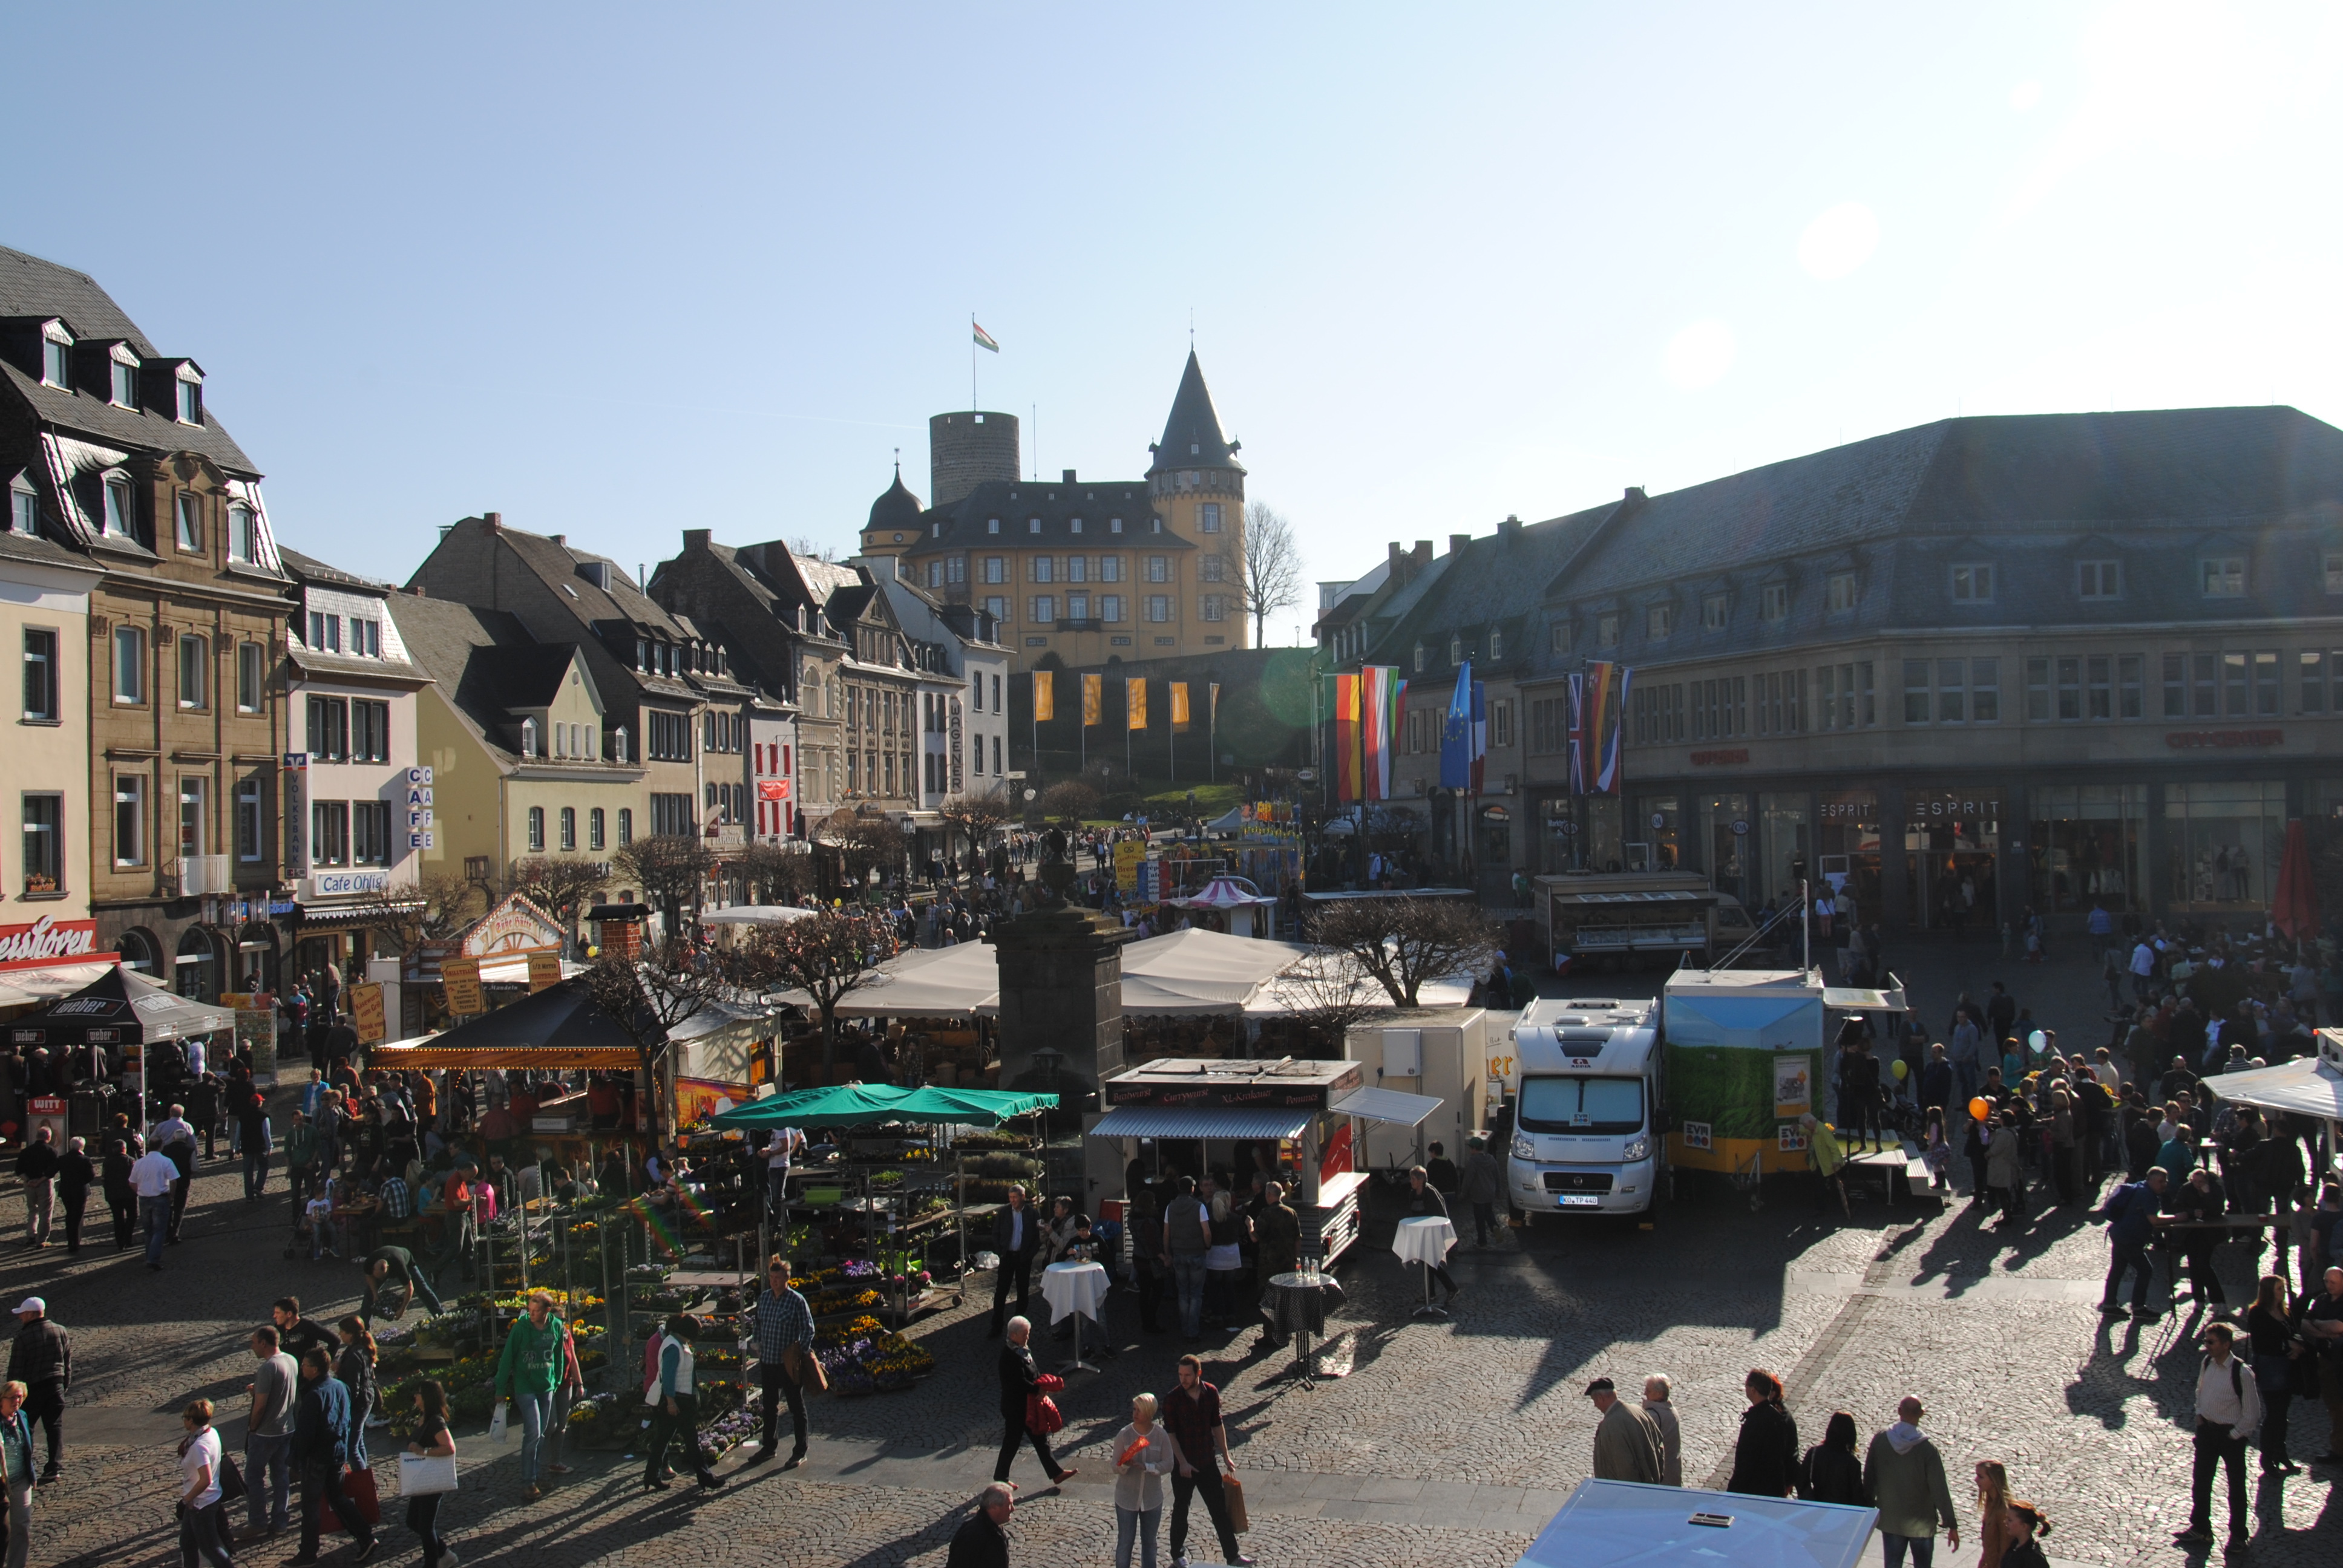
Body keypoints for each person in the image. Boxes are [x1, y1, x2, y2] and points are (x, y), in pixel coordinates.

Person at [2173, 1322, 2260, 1549]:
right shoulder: (2207, 1363)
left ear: (2226, 1344)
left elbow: (2252, 1413)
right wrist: (2200, 1416)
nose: (2206, 1346)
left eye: (2211, 1342)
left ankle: (2239, 1536)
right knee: (2201, 1483)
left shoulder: (2242, 1373)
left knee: (2236, 1489)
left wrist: (2234, 1435)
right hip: (2207, 1432)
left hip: (2230, 1436)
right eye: (2205, 1341)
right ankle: (2201, 1528)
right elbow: (2200, 1391)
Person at [1162, 1354, 1251, 1567]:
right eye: (1180, 1375)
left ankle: (1233, 1556)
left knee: (1219, 1510)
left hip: (1207, 1461)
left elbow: (1217, 1425)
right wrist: (1182, 1462)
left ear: (1198, 1374)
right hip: (1184, 1466)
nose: (1183, 1379)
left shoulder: (1210, 1393)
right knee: (1181, 1509)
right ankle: (1177, 1555)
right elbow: (1171, 1434)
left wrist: (1226, 1455)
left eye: (1187, 1375)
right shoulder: (1173, 1399)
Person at [290, 1344, 375, 1563]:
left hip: (318, 1458)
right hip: (337, 1453)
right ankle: (366, 1536)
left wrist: (297, 1458)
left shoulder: (313, 1396)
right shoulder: (340, 1387)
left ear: (316, 1369)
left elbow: (306, 1433)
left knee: (311, 1506)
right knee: (338, 1497)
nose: (302, 1368)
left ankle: (308, 1553)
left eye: (306, 1365)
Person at [1863, 1397, 1958, 1568]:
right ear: (1922, 1414)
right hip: (1922, 1523)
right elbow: (1939, 1488)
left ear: (1899, 1411)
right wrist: (1950, 1522)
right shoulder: (1927, 1450)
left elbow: (1869, 1476)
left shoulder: (1881, 1440)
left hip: (1892, 1519)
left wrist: (1869, 1506)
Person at [494, 1291, 566, 1501]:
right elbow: (507, 1357)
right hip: (525, 1386)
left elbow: (559, 1354)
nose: (531, 1314)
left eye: (536, 1311)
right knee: (533, 1432)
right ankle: (528, 1481)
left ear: (546, 1311)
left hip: (547, 1386)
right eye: (530, 1310)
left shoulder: (556, 1326)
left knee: (542, 1433)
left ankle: (534, 1476)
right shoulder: (520, 1329)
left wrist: (557, 1379)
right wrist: (500, 1388)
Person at [743, 1258, 814, 1469]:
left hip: (788, 1364)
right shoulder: (764, 1298)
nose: (774, 1282)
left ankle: (800, 1450)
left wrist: (799, 1352)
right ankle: (769, 1447)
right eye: (771, 1278)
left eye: (778, 1278)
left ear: (787, 1278)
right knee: (770, 1407)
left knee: (795, 1407)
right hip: (768, 1361)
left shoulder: (796, 1300)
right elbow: (758, 1323)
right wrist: (756, 1342)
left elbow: (808, 1329)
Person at [641, 1313, 720, 1492]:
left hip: (678, 1400)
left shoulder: (677, 1343)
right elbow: (668, 1377)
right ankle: (705, 1477)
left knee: (663, 1440)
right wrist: (671, 1403)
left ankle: (651, 1476)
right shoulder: (673, 1347)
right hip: (676, 1401)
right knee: (690, 1441)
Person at [991, 1316, 1070, 1488]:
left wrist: (1042, 1383)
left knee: (1039, 1439)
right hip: (1016, 1408)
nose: (1028, 1338)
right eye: (1025, 1335)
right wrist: (1039, 1390)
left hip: (1026, 1406)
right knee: (1013, 1442)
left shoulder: (1021, 1350)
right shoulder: (1010, 1357)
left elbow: (1033, 1372)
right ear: (1014, 1335)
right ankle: (1001, 1478)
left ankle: (1056, 1473)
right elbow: (1019, 1383)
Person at [243, 1327, 298, 1544]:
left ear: (264, 1343)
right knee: (281, 1476)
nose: (252, 1346)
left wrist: (252, 1428)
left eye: (254, 1342)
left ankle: (257, 1521)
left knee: (254, 1477)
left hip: (266, 1433)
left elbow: (260, 1406)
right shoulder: (291, 1360)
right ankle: (281, 1521)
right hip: (287, 1428)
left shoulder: (267, 1368)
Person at [1110, 1391, 1177, 1568]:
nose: (1135, 1414)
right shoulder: (1124, 1434)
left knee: (1150, 1542)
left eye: (1139, 1410)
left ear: (1149, 1412)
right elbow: (1114, 1465)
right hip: (1126, 1498)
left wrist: (1148, 1467)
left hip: (1152, 1499)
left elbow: (1169, 1464)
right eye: (1134, 1409)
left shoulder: (1161, 1435)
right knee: (1125, 1542)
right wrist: (1124, 1464)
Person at [2244, 1274, 2302, 1476]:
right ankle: (2268, 1457)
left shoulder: (2284, 1311)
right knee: (2275, 1413)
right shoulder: (2258, 1313)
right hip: (2270, 1367)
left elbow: (2294, 1332)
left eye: (2283, 1288)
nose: (2283, 1292)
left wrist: (2298, 1347)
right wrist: (2288, 1346)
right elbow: (2263, 1343)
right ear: (2269, 1291)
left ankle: (2280, 1453)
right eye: (2279, 1288)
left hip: (2286, 1366)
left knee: (2282, 1414)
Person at [5, 1301, 67, 1485]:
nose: (20, 1317)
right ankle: (54, 1467)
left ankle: (25, 1466)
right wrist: (64, 1385)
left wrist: (13, 1394)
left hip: (32, 1388)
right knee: (54, 1427)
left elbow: (15, 1370)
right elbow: (67, 1361)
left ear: (31, 1314)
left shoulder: (23, 1337)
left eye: (22, 1314)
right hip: (56, 1385)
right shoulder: (60, 1330)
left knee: (26, 1428)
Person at [2096, 1167, 2170, 1319]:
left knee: (2117, 1269)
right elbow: (2154, 1220)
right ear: (2150, 1180)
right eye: (2160, 1182)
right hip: (2129, 1238)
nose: (2163, 1185)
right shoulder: (2148, 1195)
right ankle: (2138, 1307)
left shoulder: (2141, 1187)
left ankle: (2110, 1304)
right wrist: (2178, 1218)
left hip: (2119, 1233)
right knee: (2145, 1270)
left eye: (2165, 1181)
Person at [401, 1380, 455, 1568]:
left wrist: (423, 1451)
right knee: (413, 1521)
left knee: (425, 1526)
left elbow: (449, 1448)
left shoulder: (435, 1421)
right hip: (421, 1478)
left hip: (432, 1478)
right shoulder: (423, 1418)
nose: (415, 1396)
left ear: (427, 1397)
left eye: (418, 1393)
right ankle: (445, 1554)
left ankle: (432, 1564)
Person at [176, 1398, 235, 1568]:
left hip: (201, 1504)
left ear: (191, 1420)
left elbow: (205, 1479)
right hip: (200, 1502)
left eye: (185, 1417)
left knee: (211, 1549)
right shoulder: (212, 1432)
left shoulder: (198, 1447)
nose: (184, 1420)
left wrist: (186, 1499)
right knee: (187, 1543)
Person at [1725, 1368, 1797, 1497]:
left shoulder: (1754, 1422)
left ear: (1753, 1390)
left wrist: (1732, 1492)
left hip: (1754, 1492)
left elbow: (1745, 1463)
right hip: (1773, 1489)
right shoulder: (1777, 1417)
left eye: (1747, 1385)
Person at [2298, 1265, 2343, 1465]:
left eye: (2333, 1282)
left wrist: (2318, 1324)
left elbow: (2339, 1326)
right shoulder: (2322, 1300)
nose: (2329, 1285)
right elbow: (2305, 1324)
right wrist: (2326, 1333)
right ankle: (2338, 1448)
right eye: (2326, 1281)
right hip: (2326, 1359)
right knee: (2334, 1405)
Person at [1250, 1183, 1300, 1353]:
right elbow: (1297, 1239)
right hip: (1286, 1263)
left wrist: (1249, 1225)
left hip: (1269, 1265)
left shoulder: (1265, 1214)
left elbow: (1255, 1238)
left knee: (1268, 1299)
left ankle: (1271, 1335)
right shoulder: (1291, 1213)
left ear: (1269, 1195)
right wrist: (1295, 1259)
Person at [1585, 1377, 1664, 1483]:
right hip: (1650, 1484)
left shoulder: (1611, 1425)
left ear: (1600, 1398)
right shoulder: (1638, 1410)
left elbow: (1625, 1466)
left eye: (1594, 1401)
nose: (1595, 1405)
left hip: (1626, 1492)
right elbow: (1659, 1446)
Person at [1401, 1165, 1460, 1305]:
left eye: (1413, 1179)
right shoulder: (1412, 1194)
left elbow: (1439, 1215)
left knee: (1431, 1263)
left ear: (1420, 1180)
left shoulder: (1431, 1194)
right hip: (1420, 1233)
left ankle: (1451, 1288)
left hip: (1432, 1233)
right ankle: (1431, 1293)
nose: (1411, 1182)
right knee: (1427, 1263)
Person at [988, 1187, 1041, 1339]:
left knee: (1022, 1292)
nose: (1012, 1200)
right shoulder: (1004, 1212)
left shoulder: (1032, 1214)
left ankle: (1018, 1327)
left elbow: (1037, 1238)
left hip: (1023, 1258)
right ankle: (996, 1326)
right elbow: (996, 1233)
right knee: (1001, 1292)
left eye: (1015, 1197)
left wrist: (1029, 1255)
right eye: (1010, 1197)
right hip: (1007, 1256)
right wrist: (1001, 1252)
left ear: (1023, 1197)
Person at [1162, 1175, 1211, 1339]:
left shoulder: (1171, 1207)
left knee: (1183, 1293)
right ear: (1192, 1189)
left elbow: (1166, 1233)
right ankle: (1193, 1330)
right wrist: (1207, 1246)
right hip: (1196, 1252)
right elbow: (1207, 1232)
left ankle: (1184, 1328)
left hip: (1179, 1253)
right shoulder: (1199, 1207)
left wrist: (1168, 1254)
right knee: (1196, 1294)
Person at [1794, 1410, 1867, 1506]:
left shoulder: (1814, 1453)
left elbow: (1801, 1482)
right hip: (1841, 1513)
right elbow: (1857, 1497)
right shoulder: (1852, 1463)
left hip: (1817, 1508)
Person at [357, 1248, 445, 1327]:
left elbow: (410, 1288)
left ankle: (443, 1317)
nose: (381, 1279)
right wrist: (375, 1293)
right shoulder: (369, 1262)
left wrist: (402, 1309)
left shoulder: (399, 1264)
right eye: (379, 1277)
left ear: (388, 1269)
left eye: (383, 1277)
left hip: (408, 1263)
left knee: (423, 1290)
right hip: (387, 1257)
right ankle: (364, 1327)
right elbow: (369, 1277)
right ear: (373, 1269)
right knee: (369, 1294)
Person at [333, 1321, 377, 1474]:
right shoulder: (360, 1349)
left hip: (358, 1403)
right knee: (359, 1442)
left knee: (351, 1448)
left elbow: (353, 1386)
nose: (340, 1334)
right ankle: (365, 1476)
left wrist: (345, 1408)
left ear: (350, 1334)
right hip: (366, 1399)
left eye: (342, 1331)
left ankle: (363, 1480)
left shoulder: (353, 1355)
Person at [131, 1138, 179, 1271]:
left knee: (148, 1231)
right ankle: (153, 1259)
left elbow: (132, 1182)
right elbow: (174, 1181)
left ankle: (149, 1256)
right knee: (159, 1230)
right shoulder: (166, 1161)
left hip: (144, 1198)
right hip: (160, 1198)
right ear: (161, 1146)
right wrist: (172, 1196)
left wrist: (140, 1191)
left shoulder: (140, 1163)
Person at [946, 1483, 1014, 1568]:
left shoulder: (992, 1529)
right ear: (994, 1507)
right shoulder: (975, 1536)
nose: (1013, 1509)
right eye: (1009, 1505)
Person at [1457, 1137, 1505, 1250]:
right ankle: (1494, 1227)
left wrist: (1463, 1194)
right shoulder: (1491, 1159)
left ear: (1474, 1149)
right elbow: (1497, 1176)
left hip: (1478, 1194)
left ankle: (1482, 1241)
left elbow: (1468, 1180)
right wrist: (1498, 1191)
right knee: (1489, 1213)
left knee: (1479, 1218)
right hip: (1490, 1193)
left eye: (1471, 1148)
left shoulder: (1473, 1162)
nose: (1470, 1151)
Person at [1800, 1114, 1850, 1220]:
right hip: (1823, 1165)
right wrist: (1799, 1129)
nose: (1805, 1128)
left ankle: (1848, 1205)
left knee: (1836, 1187)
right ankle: (1821, 1209)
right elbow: (1807, 1131)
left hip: (1830, 1165)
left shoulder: (1823, 1131)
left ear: (1810, 1123)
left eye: (1805, 1125)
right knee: (1820, 1187)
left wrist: (1836, 1161)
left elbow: (1833, 1147)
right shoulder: (1814, 1128)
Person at [15, 1129, 57, 1250]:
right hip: (44, 1184)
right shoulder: (51, 1151)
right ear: (48, 1137)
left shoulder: (26, 1151)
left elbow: (19, 1170)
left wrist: (28, 1181)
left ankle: (31, 1235)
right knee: (45, 1212)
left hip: (29, 1184)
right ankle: (41, 1240)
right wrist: (40, 1181)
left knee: (33, 1210)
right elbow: (52, 1171)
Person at [1639, 1376, 1682, 1486]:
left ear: (1659, 1394)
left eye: (1649, 1390)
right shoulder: (1672, 1410)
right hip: (1673, 1470)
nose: (1645, 1393)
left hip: (1660, 1475)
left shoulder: (1653, 1416)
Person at [53, 1137, 93, 1255]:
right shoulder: (85, 1160)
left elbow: (52, 1172)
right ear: (82, 1147)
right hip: (80, 1191)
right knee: (78, 1216)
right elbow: (91, 1176)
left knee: (70, 1214)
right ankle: (76, 1242)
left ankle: (70, 1240)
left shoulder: (63, 1159)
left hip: (66, 1191)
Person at [273, 1300, 337, 1371]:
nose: (274, 1316)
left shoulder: (308, 1327)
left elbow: (334, 1341)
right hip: (285, 1372)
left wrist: (322, 1366)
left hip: (303, 1376)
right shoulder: (279, 1327)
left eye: (278, 1313)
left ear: (289, 1314)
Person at [1973, 1461, 2013, 1568]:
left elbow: (2005, 1552)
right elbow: (1988, 1549)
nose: (1976, 1480)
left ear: (1993, 1480)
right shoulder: (1991, 1505)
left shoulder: (2003, 1511)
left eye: (1981, 1477)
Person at [2002, 1501, 2054, 1568]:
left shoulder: (2034, 1557)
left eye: (2010, 1520)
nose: (2005, 1522)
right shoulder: (2014, 1546)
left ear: (2024, 1526)